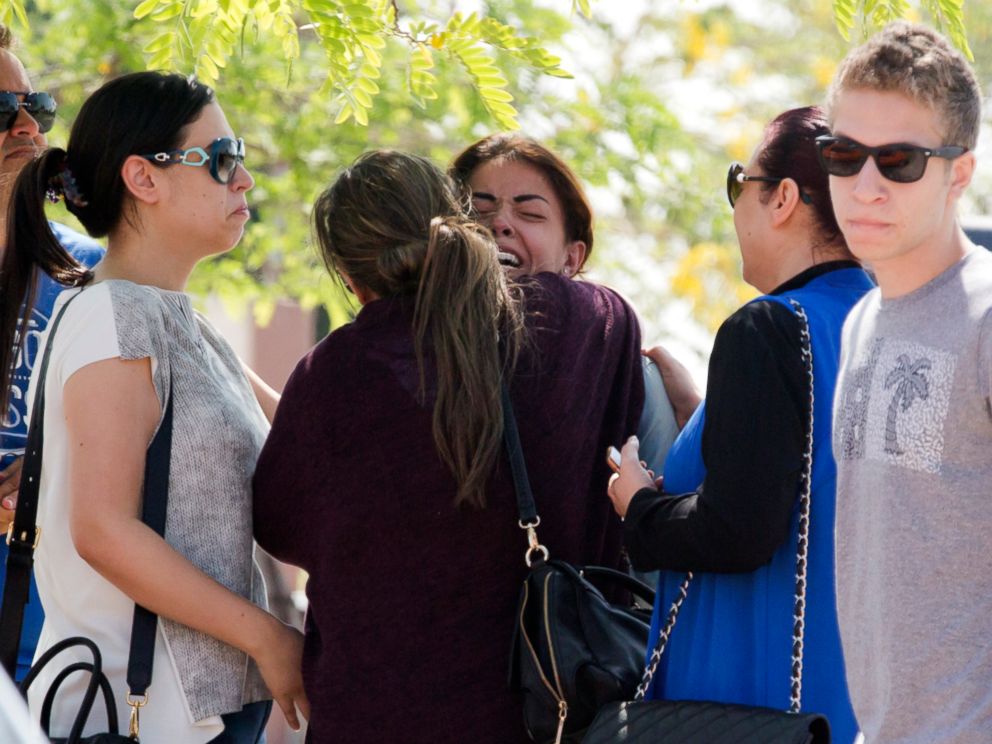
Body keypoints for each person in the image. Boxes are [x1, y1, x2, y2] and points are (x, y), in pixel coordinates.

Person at [252, 150, 644, 742]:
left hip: (370, 711)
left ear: (351, 278)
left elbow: (281, 524)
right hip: (538, 713)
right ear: (457, 226)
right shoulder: (587, 318)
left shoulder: (330, 371)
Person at [0, 71, 308, 743]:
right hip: (146, 712)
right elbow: (104, 530)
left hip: (204, 706)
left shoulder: (178, 322)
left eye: (244, 157)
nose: (245, 179)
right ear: (144, 178)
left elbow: (306, 440)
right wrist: (267, 637)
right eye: (222, 158)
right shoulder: (115, 315)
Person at [608, 106, 873, 744]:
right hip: (859, 700)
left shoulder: (768, 327)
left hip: (754, 701)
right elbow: (811, 470)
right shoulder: (887, 324)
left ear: (782, 197)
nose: (736, 205)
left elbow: (739, 529)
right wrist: (707, 415)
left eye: (739, 182)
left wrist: (638, 503)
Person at [824, 22, 990, 743]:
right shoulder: (862, 320)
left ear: (959, 173)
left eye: (898, 160)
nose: (864, 186)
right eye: (843, 155)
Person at [450, 133, 679, 473]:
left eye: (529, 213)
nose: (499, 224)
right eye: (477, 210)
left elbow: (669, 508)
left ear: (572, 258)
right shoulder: (399, 353)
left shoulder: (630, 380)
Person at [0, 22, 104, 682]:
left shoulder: (92, 272)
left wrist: (57, 472)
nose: (25, 129)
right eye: (0, 112)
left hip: (62, 653)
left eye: (34, 107)